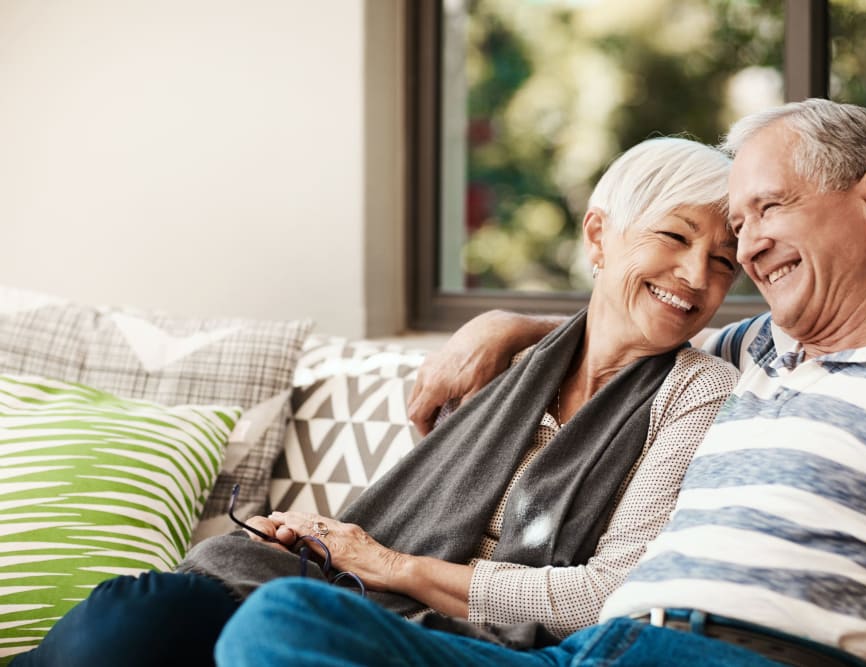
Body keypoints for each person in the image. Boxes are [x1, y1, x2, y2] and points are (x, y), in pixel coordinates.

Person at [214, 98, 866, 667]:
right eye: (741, 225)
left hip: (751, 655)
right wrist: (507, 326)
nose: (748, 250)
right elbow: (631, 323)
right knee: (283, 620)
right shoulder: (760, 345)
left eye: (768, 210)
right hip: (595, 650)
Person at [12, 137, 743, 666]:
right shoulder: (510, 357)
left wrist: (382, 560)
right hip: (333, 580)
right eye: (674, 235)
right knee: (133, 616)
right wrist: (324, 542)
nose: (694, 275)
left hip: (434, 631)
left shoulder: (697, 390)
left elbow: (600, 595)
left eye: (722, 261)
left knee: (131, 638)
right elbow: (596, 333)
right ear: (599, 236)